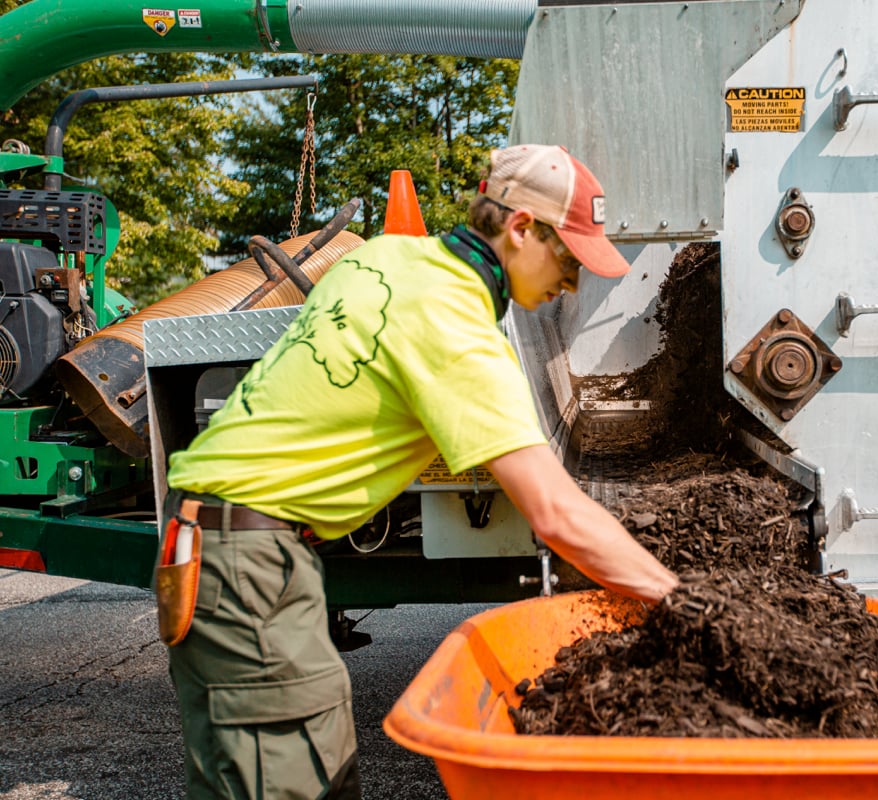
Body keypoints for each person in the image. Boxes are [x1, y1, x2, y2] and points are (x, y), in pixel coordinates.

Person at [160, 143, 679, 800]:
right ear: (521, 228)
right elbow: (557, 514)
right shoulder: (456, 323)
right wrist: (682, 602)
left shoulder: (383, 258)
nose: (573, 282)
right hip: (248, 565)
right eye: (570, 258)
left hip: (222, 545)